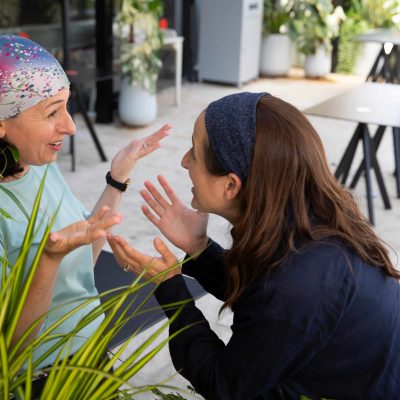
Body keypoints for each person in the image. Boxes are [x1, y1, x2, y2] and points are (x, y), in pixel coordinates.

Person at [108, 92, 400, 399]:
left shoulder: (300, 281)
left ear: (231, 185)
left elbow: (226, 386)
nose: (184, 161)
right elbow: (262, 294)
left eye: (194, 151)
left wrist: (168, 285)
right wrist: (200, 247)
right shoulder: (302, 223)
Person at [0, 34, 169, 393]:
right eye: (51, 112)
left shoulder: (40, 166)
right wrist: (48, 258)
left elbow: (79, 269)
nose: (70, 126)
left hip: (91, 356)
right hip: (42, 381)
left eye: (67, 106)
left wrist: (118, 177)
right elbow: (10, 344)